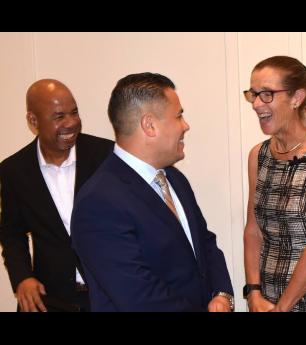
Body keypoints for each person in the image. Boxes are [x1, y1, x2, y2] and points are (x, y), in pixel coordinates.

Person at [71, 72, 234, 312]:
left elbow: (204, 243)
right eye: (179, 115)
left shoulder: (175, 179)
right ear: (149, 125)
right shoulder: (98, 201)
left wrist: (221, 294)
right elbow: (138, 297)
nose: (185, 125)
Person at [242, 56, 306, 312]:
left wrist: (283, 308)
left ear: (297, 98)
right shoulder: (259, 154)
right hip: (265, 298)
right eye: (253, 94)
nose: (256, 104)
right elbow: (253, 230)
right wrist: (253, 293)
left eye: (266, 94)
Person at [0, 79, 114, 312]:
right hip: (49, 300)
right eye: (59, 116)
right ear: (33, 120)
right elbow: (12, 233)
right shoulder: (14, 170)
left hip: (108, 295)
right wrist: (22, 277)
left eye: (74, 112)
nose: (71, 123)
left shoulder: (106, 155)